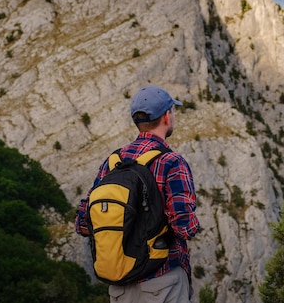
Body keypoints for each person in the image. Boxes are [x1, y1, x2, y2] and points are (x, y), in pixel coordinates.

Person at [75, 85, 200, 303]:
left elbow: (83, 224)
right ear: (167, 117)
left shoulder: (113, 162)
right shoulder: (171, 162)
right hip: (163, 283)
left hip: (121, 287)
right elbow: (184, 227)